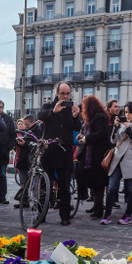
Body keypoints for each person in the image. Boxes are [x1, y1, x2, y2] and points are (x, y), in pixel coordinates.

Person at [38, 81, 81, 226]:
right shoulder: (49, 106)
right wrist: (53, 112)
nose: (65, 96)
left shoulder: (72, 108)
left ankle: (65, 216)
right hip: (49, 149)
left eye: (68, 93)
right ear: (57, 93)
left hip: (65, 151)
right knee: (44, 184)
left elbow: (77, 127)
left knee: (64, 185)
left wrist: (75, 117)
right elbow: (41, 115)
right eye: (62, 93)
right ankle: (41, 214)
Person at [101, 102, 132, 225]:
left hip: (131, 160)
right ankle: (107, 215)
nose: (128, 115)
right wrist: (115, 127)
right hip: (117, 159)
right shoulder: (120, 125)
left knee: (131, 189)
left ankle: (128, 215)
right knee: (111, 188)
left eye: (130, 112)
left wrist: (128, 130)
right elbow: (113, 141)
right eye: (126, 112)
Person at [76, 96, 110, 219]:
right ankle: (96, 206)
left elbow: (101, 134)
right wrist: (82, 136)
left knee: (98, 184)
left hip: (98, 155)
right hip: (92, 154)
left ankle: (99, 209)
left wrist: (87, 138)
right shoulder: (92, 118)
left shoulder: (99, 117)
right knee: (95, 183)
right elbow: (92, 133)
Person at [0, 100, 16, 205]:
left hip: (3, 152)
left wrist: (9, 147)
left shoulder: (8, 119)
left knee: (2, 175)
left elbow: (13, 135)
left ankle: (2, 196)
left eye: (0, 107)